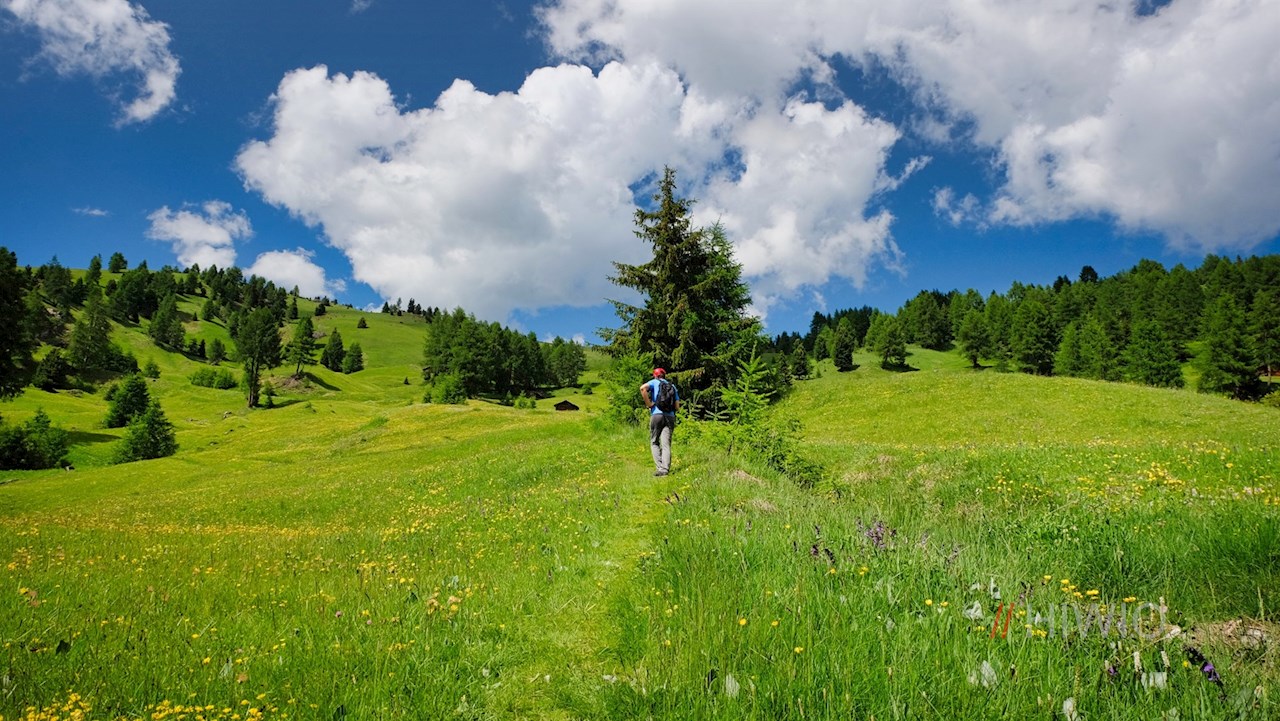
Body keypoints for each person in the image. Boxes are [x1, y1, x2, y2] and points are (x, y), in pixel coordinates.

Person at [640, 368, 680, 476]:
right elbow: (677, 407)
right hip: (670, 417)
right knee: (666, 444)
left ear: (655, 375)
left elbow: (642, 388)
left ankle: (659, 468)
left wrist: (649, 404)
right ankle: (665, 469)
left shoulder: (654, 382)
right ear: (664, 376)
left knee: (654, 441)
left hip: (656, 415)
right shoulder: (672, 386)